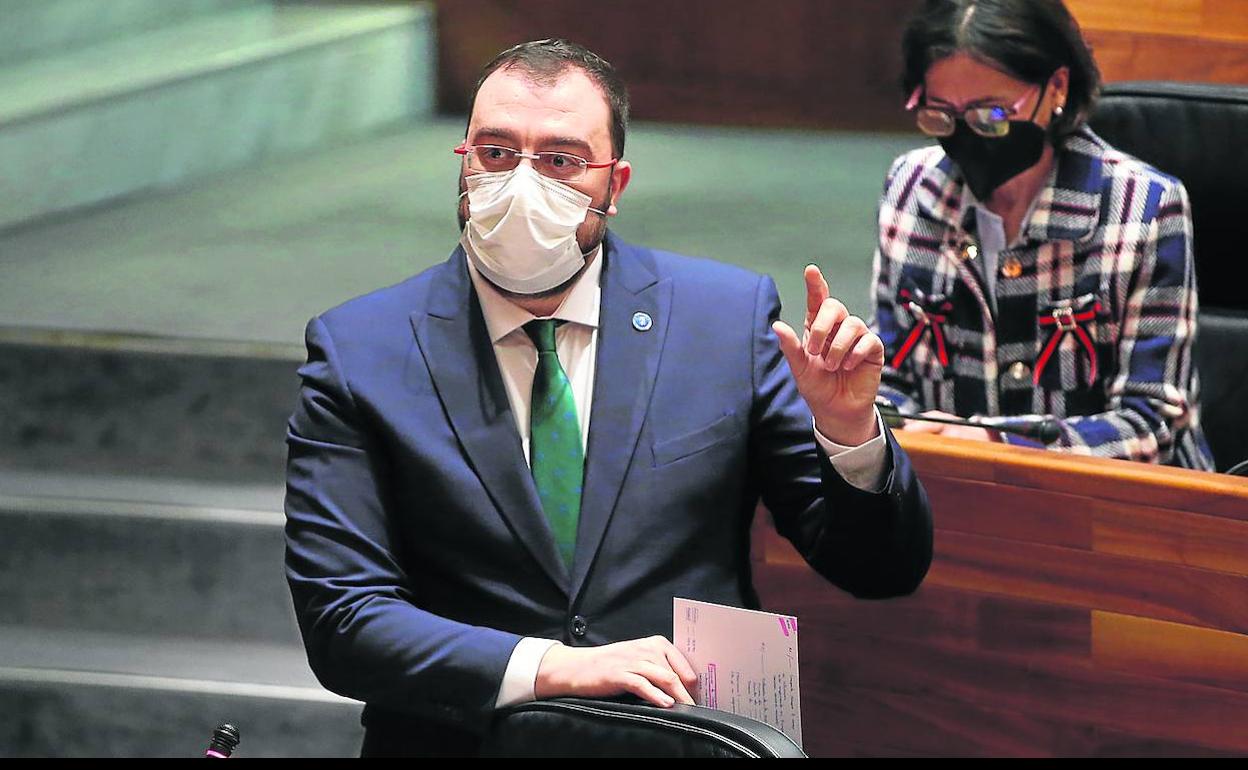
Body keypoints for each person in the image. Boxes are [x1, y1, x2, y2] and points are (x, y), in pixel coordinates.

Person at [284, 39, 932, 757]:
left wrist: (848, 432)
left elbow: (878, 569)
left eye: (561, 161)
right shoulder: (361, 350)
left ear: (614, 184)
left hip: (683, 743)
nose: (522, 183)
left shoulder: (722, 318)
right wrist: (554, 668)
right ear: (463, 159)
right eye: (496, 153)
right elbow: (343, 619)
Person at [872, 0, 1214, 470]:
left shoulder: (1146, 208)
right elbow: (889, 375)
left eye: (990, 115)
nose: (967, 137)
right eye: (941, 116)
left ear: (1055, 87)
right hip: (954, 494)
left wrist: (1003, 447)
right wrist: (900, 425)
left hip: (1113, 509)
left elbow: (1152, 422)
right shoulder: (911, 187)